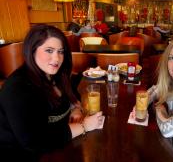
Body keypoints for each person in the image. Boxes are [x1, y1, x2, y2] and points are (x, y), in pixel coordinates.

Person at [0, 24, 103, 161]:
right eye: (49, 50)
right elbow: (35, 142)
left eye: (60, 51)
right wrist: (84, 126)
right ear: (32, 50)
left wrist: (76, 109)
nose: (56, 59)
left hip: (59, 146)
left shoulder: (56, 74)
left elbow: (73, 95)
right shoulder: (17, 88)